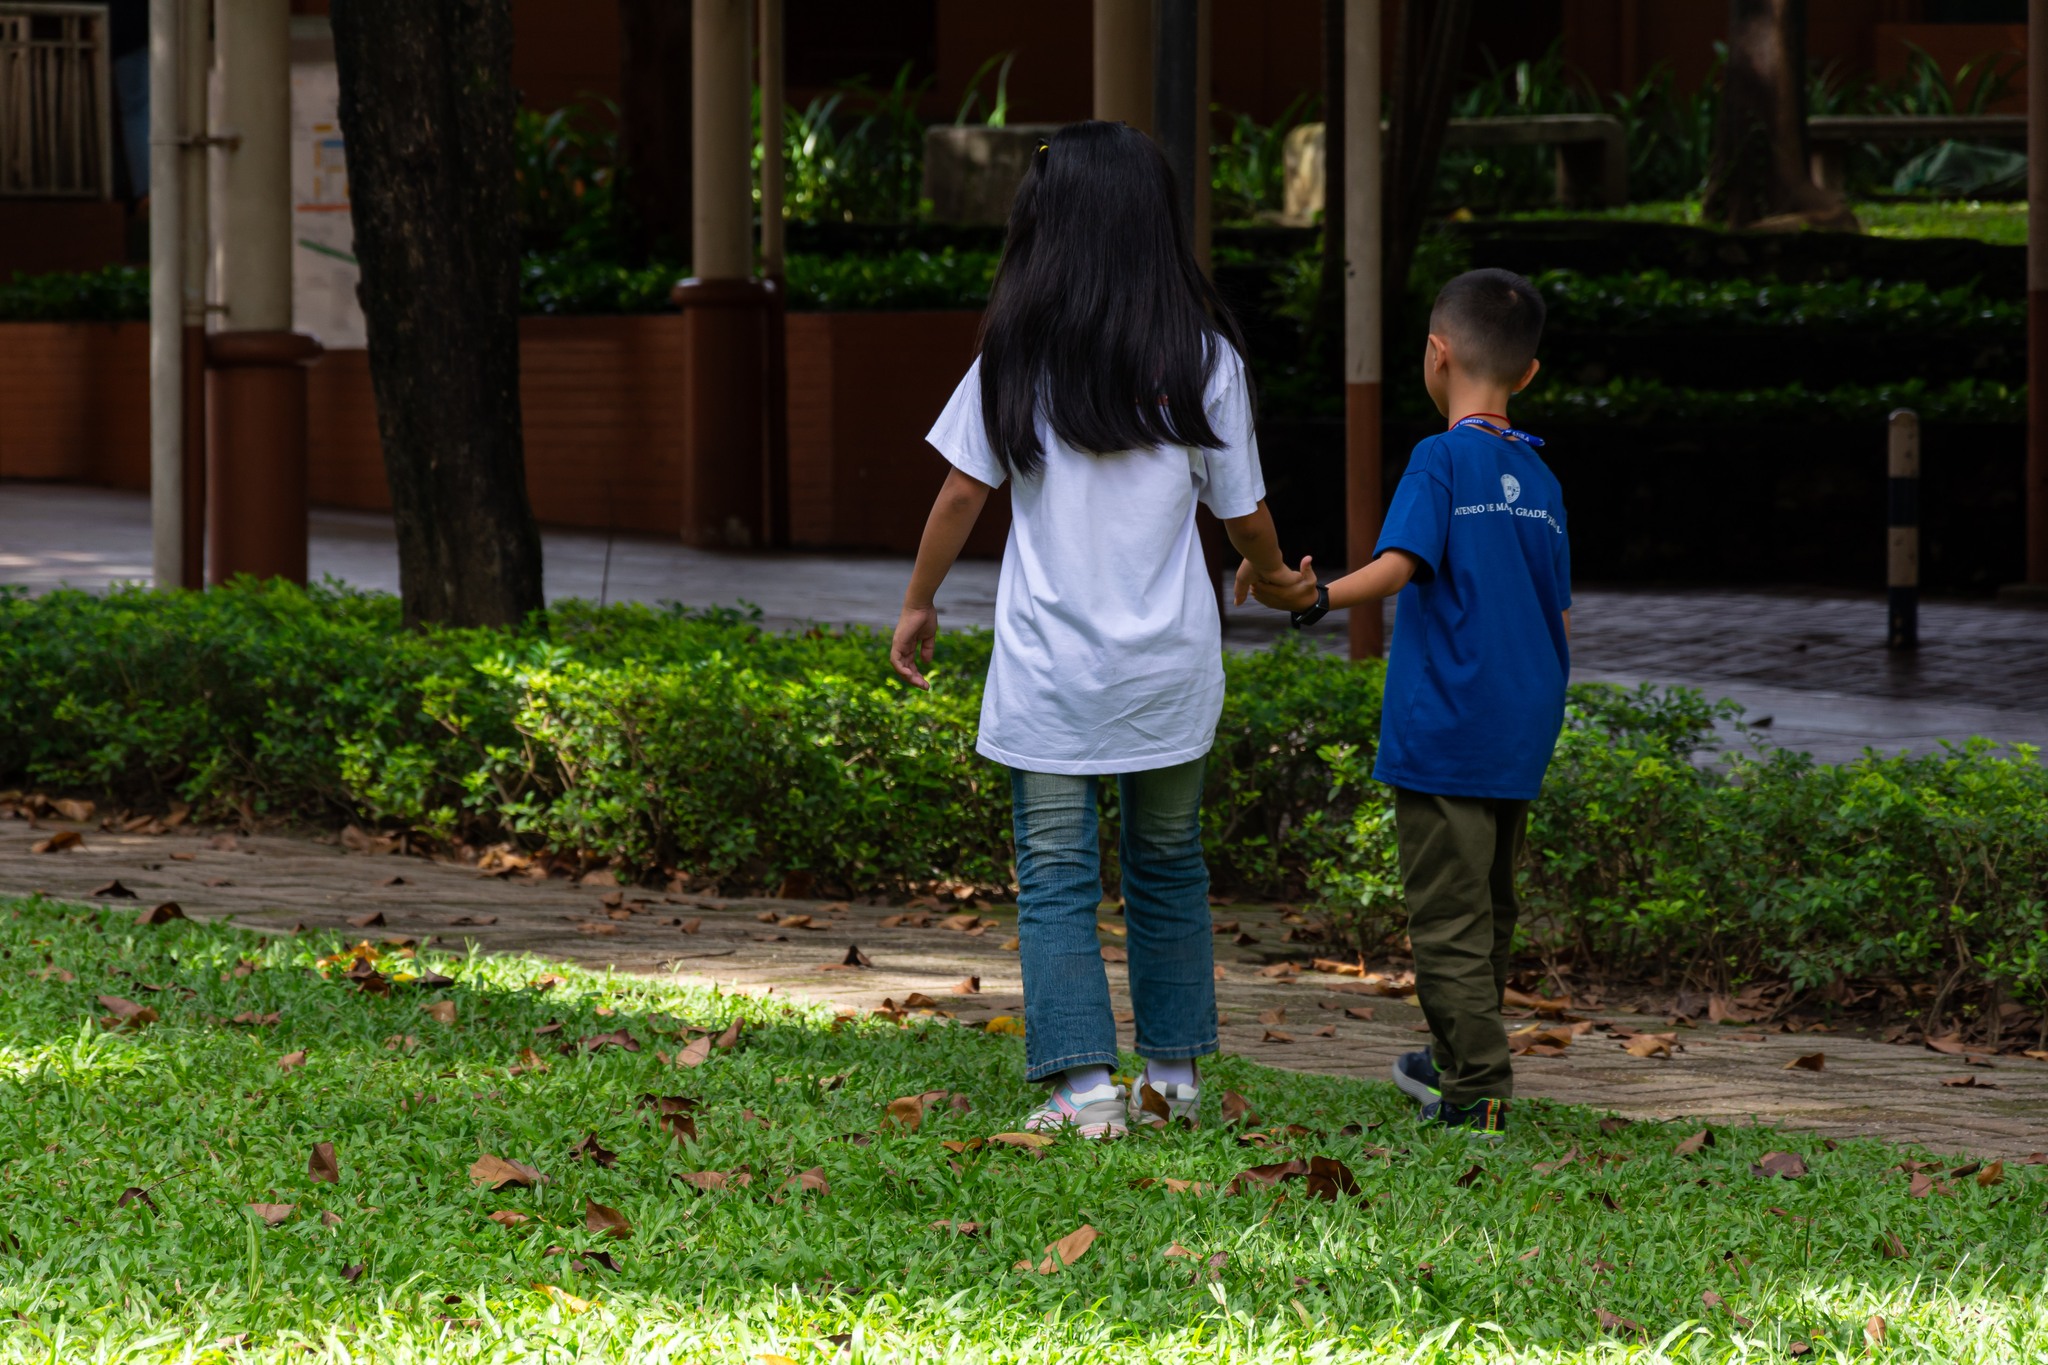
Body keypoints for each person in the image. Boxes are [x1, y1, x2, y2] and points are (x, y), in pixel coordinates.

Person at [888, 120, 1305, 1140]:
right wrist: (1273, 580)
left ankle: (1081, 1093)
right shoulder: (1203, 359)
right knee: (1167, 866)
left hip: (1047, 676)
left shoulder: (1013, 357)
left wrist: (916, 601)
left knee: (1056, 877)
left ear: (1050, 227)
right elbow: (1242, 514)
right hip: (1163, 671)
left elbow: (956, 496)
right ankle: (1171, 1081)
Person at [1250, 268, 1571, 1139]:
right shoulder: (1540, 478)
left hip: (1447, 727)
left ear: (1435, 353)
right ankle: (1456, 1052)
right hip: (1522, 726)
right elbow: (1559, 610)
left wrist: (1311, 600)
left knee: (1447, 917)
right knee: (1491, 907)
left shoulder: (1440, 458)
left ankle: (1474, 1089)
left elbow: (1398, 568)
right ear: (1528, 373)